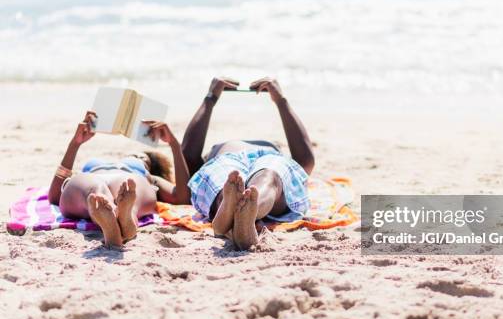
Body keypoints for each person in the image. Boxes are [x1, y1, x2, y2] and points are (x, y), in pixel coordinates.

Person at [182, 77, 315, 250]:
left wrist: (210, 98)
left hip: (228, 156)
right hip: (264, 158)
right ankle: (248, 212)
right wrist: (281, 101)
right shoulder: (273, 151)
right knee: (269, 179)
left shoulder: (217, 153)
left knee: (230, 181)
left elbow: (188, 156)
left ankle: (229, 213)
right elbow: (306, 160)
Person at [49, 113, 191, 247]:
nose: (137, 156)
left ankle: (116, 218)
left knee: (104, 192)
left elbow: (182, 197)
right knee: (97, 192)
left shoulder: (150, 178)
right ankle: (123, 221)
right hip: (94, 177)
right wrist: (75, 143)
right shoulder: (100, 168)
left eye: (142, 158)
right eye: (135, 155)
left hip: (124, 178)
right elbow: (55, 197)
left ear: (149, 168)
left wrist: (174, 145)